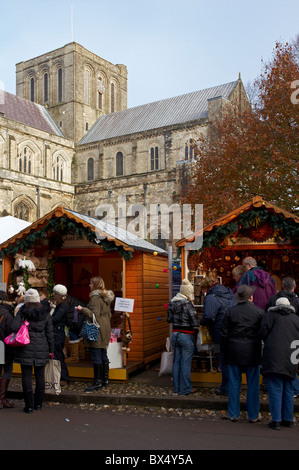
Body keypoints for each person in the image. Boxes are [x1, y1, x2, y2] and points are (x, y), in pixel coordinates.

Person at [220, 285, 264, 422]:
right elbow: (263, 333)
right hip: (252, 351)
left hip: (233, 350)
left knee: (234, 383)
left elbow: (224, 334)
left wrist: (223, 352)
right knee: (253, 384)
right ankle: (253, 414)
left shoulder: (230, 312)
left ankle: (233, 413)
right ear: (250, 297)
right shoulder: (259, 312)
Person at [11, 289, 54, 413]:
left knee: (26, 376)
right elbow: (50, 334)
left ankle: (29, 406)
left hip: (25, 347)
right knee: (40, 376)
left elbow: (14, 327)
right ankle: (38, 404)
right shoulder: (46, 313)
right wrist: (51, 350)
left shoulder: (23, 311)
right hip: (42, 347)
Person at [260, 297, 299, 430]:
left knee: (275, 389)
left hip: (273, 356)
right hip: (292, 357)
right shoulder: (296, 319)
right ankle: (288, 419)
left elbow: (263, 333)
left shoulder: (270, 316)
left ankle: (276, 420)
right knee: (289, 388)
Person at [77, 276, 114, 392]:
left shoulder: (95, 298)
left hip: (97, 328)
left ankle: (97, 382)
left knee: (96, 354)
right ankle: (105, 380)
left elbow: (94, 315)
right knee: (103, 353)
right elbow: (109, 315)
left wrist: (81, 309)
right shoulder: (106, 297)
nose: (89, 285)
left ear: (96, 285)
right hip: (106, 327)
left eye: (91, 283)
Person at [200, 275, 235, 396]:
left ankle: (226, 387)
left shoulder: (211, 297)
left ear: (206, 287)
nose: (203, 292)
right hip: (232, 333)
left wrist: (202, 322)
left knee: (221, 359)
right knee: (230, 360)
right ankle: (232, 385)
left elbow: (209, 316)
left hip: (219, 335)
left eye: (203, 289)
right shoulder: (229, 294)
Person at [167, 279, 198, 395]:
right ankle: (185, 388)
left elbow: (168, 319)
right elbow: (195, 322)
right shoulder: (188, 304)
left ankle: (176, 387)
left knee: (176, 362)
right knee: (186, 362)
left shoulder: (172, 302)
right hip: (186, 335)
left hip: (174, 335)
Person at [51, 284, 70, 388]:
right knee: (57, 356)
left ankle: (64, 378)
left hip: (57, 334)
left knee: (58, 356)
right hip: (56, 333)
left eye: (54, 293)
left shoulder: (63, 306)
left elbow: (55, 319)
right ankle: (58, 377)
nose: (53, 294)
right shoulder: (60, 305)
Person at [0, 291, 15, 409]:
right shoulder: (7, 315)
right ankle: (2, 398)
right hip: (4, 346)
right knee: (7, 370)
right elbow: (11, 332)